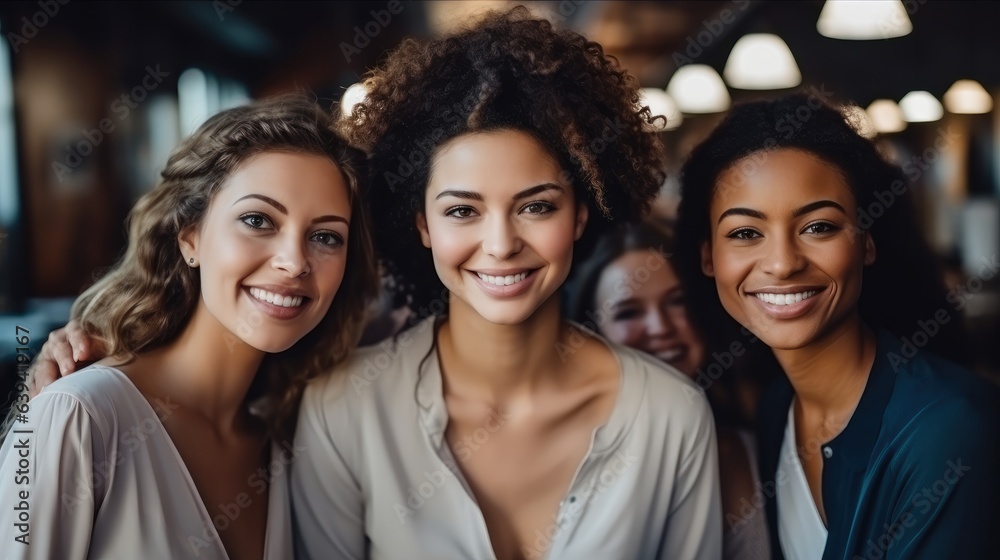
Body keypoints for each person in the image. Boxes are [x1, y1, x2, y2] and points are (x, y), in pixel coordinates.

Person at [290, 7, 720, 559]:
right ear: (421, 224)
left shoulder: (672, 418)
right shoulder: (343, 412)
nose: (500, 244)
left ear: (581, 216)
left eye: (536, 207)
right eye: (463, 211)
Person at [2, 94, 379, 559]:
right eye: (258, 220)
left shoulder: (289, 442)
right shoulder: (78, 416)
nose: (293, 262)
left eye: (325, 236)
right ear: (190, 238)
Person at [673, 93, 1000, 559]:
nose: (783, 264)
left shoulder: (951, 428)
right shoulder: (775, 409)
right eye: (746, 233)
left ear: (866, 243)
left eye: (819, 227)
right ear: (709, 257)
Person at [568, 219, 770, 559]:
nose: (660, 327)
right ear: (594, 335)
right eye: (628, 312)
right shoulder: (571, 462)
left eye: (677, 302)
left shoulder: (757, 447)